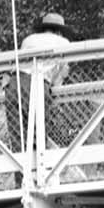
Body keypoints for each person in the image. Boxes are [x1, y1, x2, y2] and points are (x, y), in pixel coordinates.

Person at [14, 11, 72, 147]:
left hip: (15, 83)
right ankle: (40, 164)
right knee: (38, 137)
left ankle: (20, 166)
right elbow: (62, 71)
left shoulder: (28, 40)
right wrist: (56, 92)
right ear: (59, 31)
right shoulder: (64, 42)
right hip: (39, 84)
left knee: (19, 139)